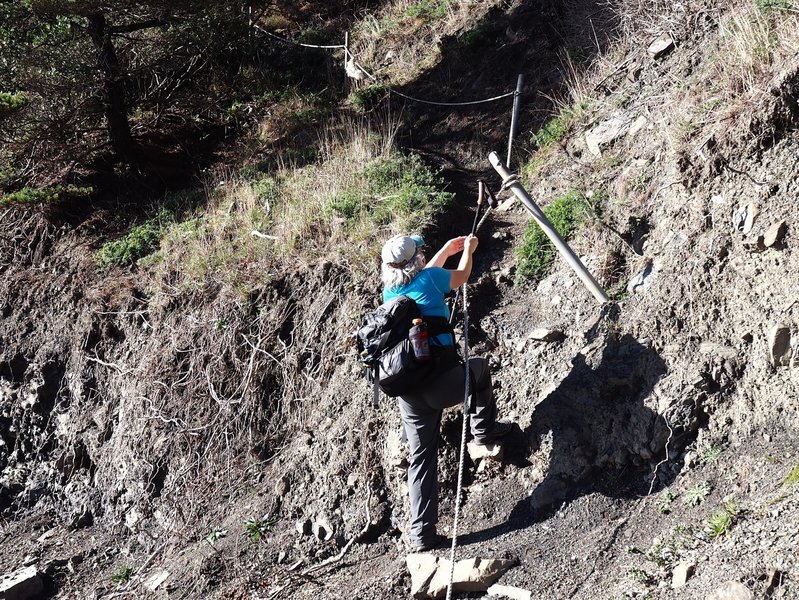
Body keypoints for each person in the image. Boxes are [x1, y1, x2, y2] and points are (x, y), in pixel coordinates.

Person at [380, 233, 512, 552]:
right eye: (420, 252)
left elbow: (421, 276)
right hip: (441, 383)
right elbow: (462, 275)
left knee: (421, 460)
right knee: (479, 369)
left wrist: (445, 250)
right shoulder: (431, 279)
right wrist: (467, 251)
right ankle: (483, 432)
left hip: (409, 392)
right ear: (416, 260)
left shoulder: (389, 292)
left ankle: (422, 535)